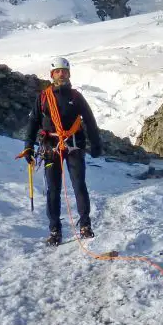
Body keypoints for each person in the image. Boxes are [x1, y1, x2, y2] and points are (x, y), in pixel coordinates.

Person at [21, 57, 102, 246]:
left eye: (64, 71)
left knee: (79, 185)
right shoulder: (43, 97)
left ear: (69, 73)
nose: (61, 74)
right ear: (52, 74)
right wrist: (28, 146)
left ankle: (85, 225)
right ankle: (55, 229)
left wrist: (96, 144)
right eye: (57, 71)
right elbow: (33, 122)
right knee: (53, 189)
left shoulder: (76, 97)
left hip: (74, 145)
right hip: (50, 147)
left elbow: (90, 121)